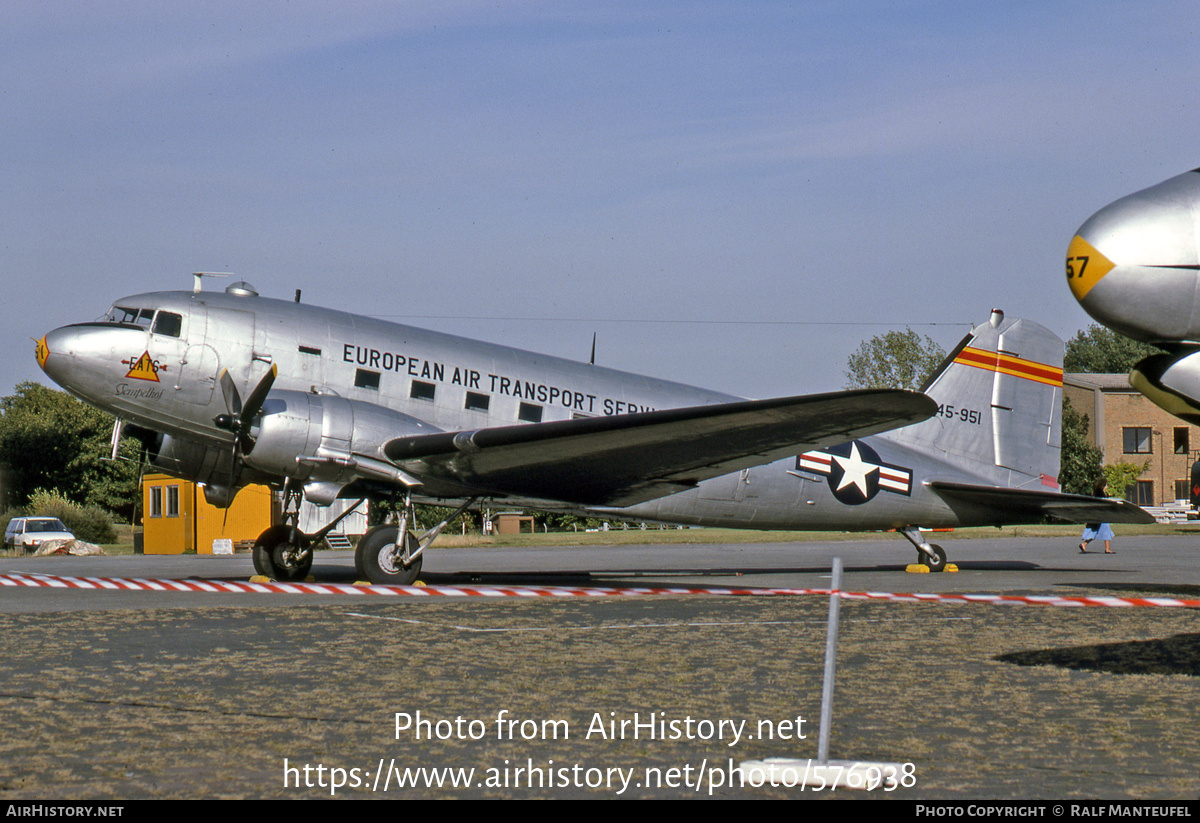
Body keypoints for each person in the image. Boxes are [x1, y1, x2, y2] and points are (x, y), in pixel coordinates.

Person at [1079, 478, 1115, 554]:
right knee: (1106, 531)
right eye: (1106, 485)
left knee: (1095, 531)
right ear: (1103, 485)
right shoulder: (1100, 493)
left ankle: (1084, 544)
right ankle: (1107, 549)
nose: (1107, 486)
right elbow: (1102, 503)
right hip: (1101, 515)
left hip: (1098, 514)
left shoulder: (1098, 491)